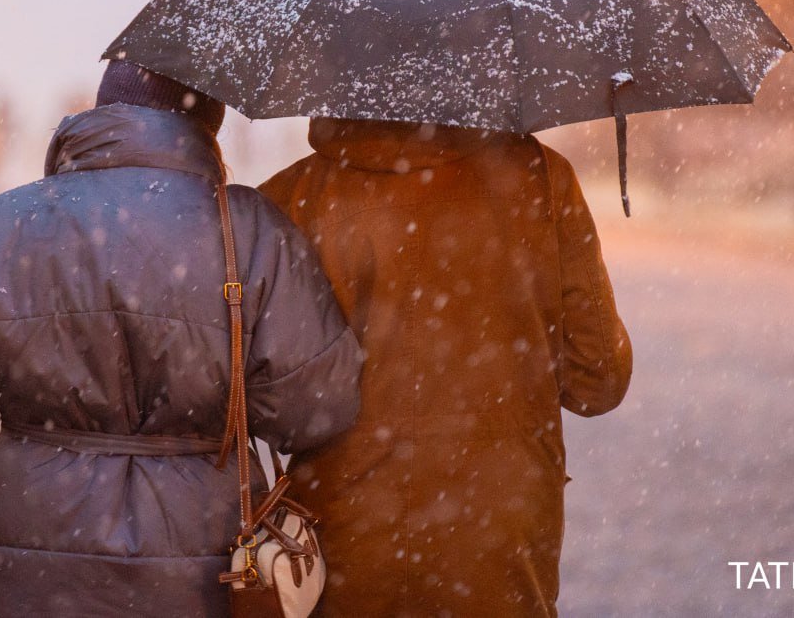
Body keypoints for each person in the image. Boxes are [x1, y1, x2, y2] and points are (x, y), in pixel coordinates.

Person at [0, 61, 363, 616]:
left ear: (102, 111)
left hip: (23, 581)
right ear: (208, 124)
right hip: (197, 579)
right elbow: (313, 409)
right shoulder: (251, 232)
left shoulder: (0, 229)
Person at [260, 118, 633, 617]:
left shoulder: (291, 196)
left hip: (342, 531)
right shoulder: (540, 177)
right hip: (498, 530)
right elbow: (599, 381)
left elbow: (265, 400)